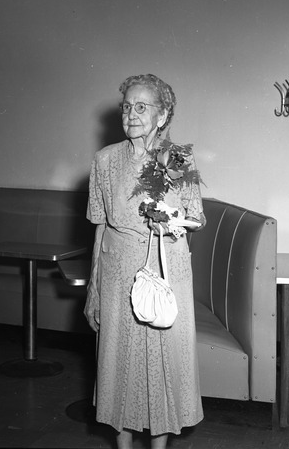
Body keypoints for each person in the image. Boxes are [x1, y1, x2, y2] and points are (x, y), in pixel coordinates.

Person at [84, 74, 205, 449]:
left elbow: (196, 219)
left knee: (163, 366)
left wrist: (169, 218)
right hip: (118, 271)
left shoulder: (178, 157)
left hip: (165, 270)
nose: (131, 114)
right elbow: (100, 228)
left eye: (141, 106)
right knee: (119, 368)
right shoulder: (104, 161)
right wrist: (94, 287)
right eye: (127, 107)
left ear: (163, 114)